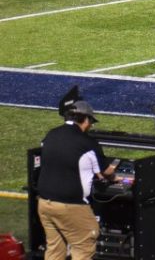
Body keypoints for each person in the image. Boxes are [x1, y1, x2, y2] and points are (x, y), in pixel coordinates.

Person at [37, 100, 118, 260]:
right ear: (86, 119)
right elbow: (105, 172)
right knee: (84, 246)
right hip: (71, 205)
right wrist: (116, 176)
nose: (91, 126)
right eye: (91, 122)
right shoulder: (87, 143)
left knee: (55, 249)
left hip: (44, 204)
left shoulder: (51, 134)